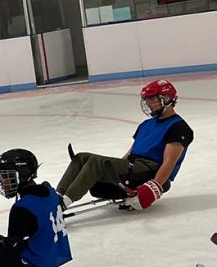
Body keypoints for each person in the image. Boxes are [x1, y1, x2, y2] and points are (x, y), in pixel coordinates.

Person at [57, 80, 193, 209]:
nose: (149, 104)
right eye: (147, 100)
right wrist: (115, 172)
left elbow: (169, 162)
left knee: (95, 162)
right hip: (133, 166)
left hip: (148, 170)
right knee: (81, 157)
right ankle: (57, 196)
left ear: (167, 98)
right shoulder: (146, 124)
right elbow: (131, 152)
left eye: (152, 99)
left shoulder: (178, 127)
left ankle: (64, 203)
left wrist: (154, 186)